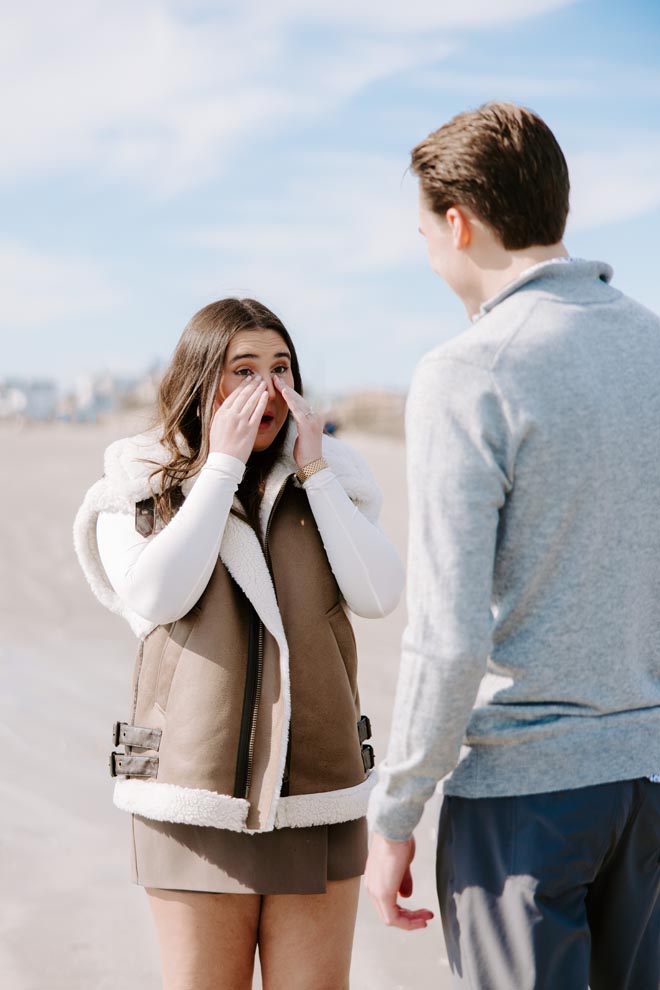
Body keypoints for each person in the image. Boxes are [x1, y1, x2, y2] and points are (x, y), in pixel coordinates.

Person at [365, 101, 660, 990]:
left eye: (423, 229)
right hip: (648, 784)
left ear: (458, 222)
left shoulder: (468, 371)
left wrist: (397, 809)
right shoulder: (652, 346)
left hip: (525, 802)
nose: (426, 252)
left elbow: (448, 636)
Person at [73, 297, 404, 990]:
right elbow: (157, 598)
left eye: (280, 368)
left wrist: (316, 474)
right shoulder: (139, 482)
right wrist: (219, 468)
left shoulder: (332, 479)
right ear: (200, 382)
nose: (267, 388)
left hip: (319, 793)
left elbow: (379, 595)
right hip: (194, 798)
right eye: (242, 369)